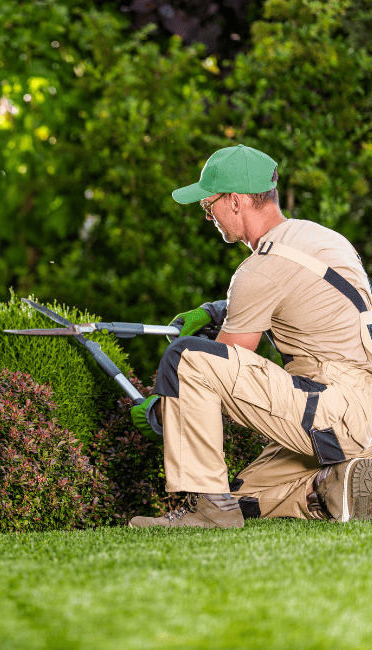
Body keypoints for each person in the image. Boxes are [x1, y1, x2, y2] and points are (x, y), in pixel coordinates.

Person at [129, 144, 372, 529]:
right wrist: (217, 311)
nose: (207, 215)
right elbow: (302, 297)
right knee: (241, 495)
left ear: (236, 201)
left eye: (208, 204)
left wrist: (161, 410)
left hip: (334, 411)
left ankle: (209, 511)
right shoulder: (320, 239)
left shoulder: (260, 268)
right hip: (357, 410)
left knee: (186, 358)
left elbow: (220, 374)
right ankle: (332, 486)